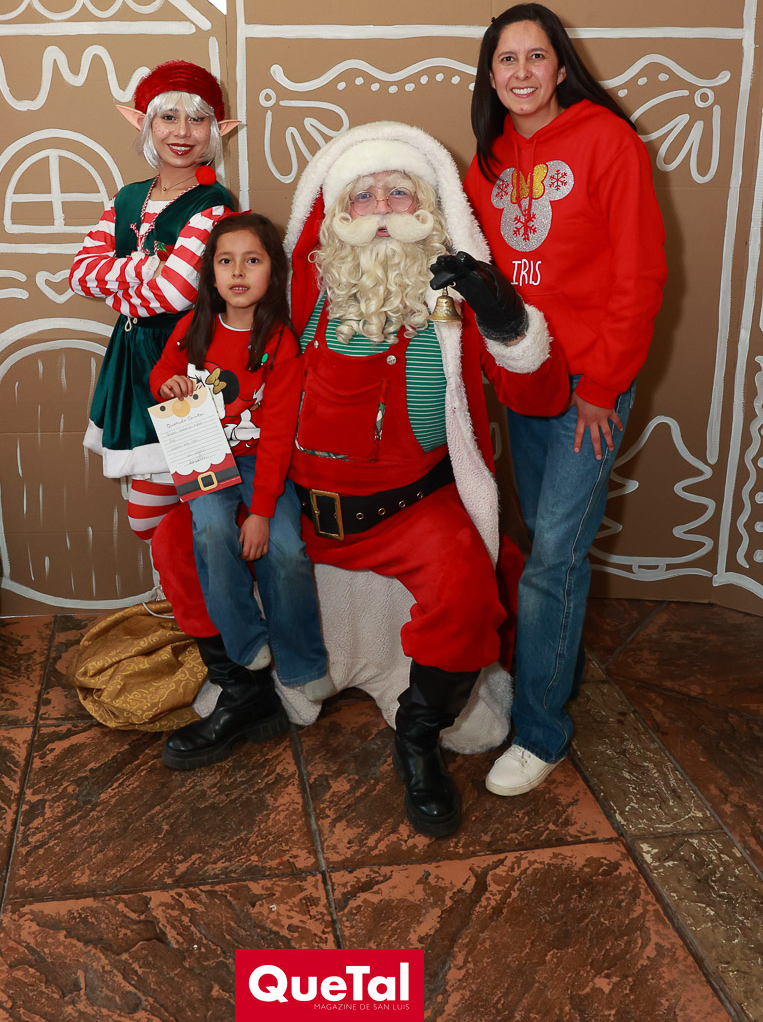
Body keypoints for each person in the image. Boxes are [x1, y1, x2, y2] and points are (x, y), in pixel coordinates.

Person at [280, 121, 569, 837]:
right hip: (303, 509)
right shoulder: (302, 287)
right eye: (364, 195)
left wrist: (504, 316)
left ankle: (417, 737)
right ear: (336, 213)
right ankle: (248, 689)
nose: (381, 209)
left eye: (399, 192)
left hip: (412, 507)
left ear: (430, 208)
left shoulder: (455, 298)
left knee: (469, 597)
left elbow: (535, 387)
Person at [458, 2, 667, 797]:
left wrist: (603, 387)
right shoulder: (487, 161)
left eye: (535, 56)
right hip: (526, 374)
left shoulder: (608, 142)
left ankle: (539, 730)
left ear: (560, 66)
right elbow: (478, 274)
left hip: (590, 385)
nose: (521, 72)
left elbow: (639, 275)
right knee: (538, 539)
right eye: (505, 59)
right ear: (490, 75)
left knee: (553, 554)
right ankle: (551, 670)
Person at [150, 213, 331, 771]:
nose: (237, 272)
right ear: (210, 273)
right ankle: (247, 644)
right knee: (208, 531)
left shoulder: (279, 342)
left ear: (272, 272)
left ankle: (303, 664)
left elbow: (276, 435)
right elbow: (161, 374)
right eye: (225, 261)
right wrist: (169, 383)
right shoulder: (194, 328)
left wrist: (260, 511)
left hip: (260, 465)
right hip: (205, 456)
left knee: (286, 550)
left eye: (252, 260)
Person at [68, 60, 238, 543]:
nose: (182, 132)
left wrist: (119, 288)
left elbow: (176, 293)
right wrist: (143, 269)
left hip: (186, 362)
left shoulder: (214, 203)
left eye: (197, 119)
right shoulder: (127, 198)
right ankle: (179, 586)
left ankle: (202, 589)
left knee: (198, 507)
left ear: (217, 130)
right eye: (168, 117)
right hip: (130, 361)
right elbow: (79, 274)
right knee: (147, 515)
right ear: (145, 123)